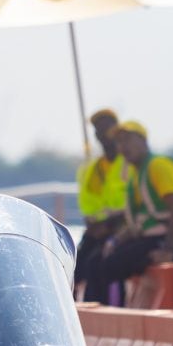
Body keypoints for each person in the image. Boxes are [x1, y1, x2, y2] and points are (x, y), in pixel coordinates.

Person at [85, 120, 173, 304]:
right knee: (96, 261)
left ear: (143, 141)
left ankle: (108, 317)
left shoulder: (158, 166)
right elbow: (140, 222)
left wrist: (168, 250)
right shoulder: (137, 174)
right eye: (119, 142)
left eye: (127, 139)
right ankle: (96, 317)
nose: (123, 146)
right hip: (154, 238)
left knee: (108, 266)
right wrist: (115, 241)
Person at [75, 108, 130, 301]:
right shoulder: (91, 170)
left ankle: (109, 309)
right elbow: (88, 205)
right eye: (98, 130)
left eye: (107, 128)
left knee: (99, 263)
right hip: (96, 231)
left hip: (123, 230)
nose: (103, 134)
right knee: (71, 267)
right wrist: (93, 226)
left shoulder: (129, 164)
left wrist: (109, 225)